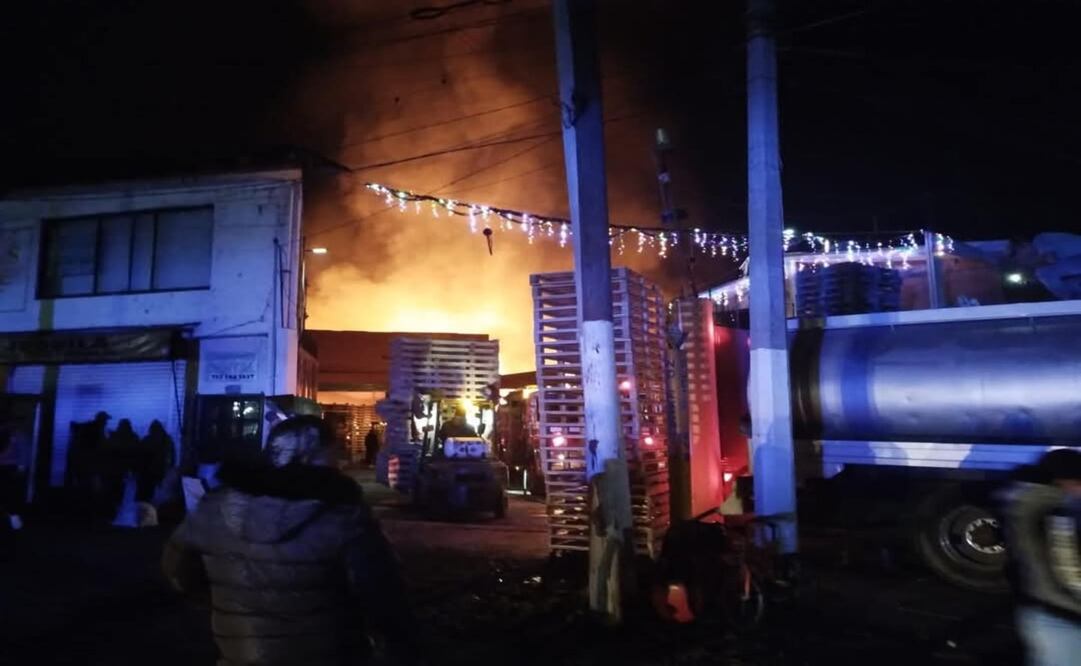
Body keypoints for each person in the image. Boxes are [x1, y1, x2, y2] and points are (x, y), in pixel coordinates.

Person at [162, 416, 419, 666]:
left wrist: (230, 605)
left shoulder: (213, 507)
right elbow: (383, 596)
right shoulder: (343, 516)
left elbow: (178, 572)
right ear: (323, 456)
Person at [1002, 448, 1081, 665]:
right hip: (1065, 620)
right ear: (1065, 481)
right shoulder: (1057, 513)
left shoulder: (1024, 501)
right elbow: (1071, 573)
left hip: (1040, 611)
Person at [137, 420, 175, 502]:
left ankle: (149, 503)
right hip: (160, 468)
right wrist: (171, 464)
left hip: (148, 469)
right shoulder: (167, 439)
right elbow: (172, 453)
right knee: (158, 488)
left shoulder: (147, 440)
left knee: (149, 488)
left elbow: (140, 454)